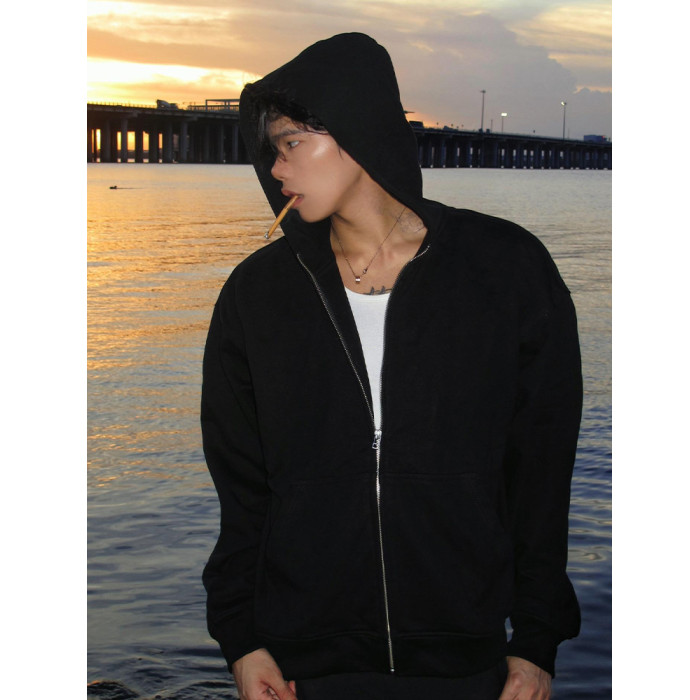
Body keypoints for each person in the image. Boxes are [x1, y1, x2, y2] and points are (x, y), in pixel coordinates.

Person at [201, 32, 582, 700]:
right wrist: (243, 640)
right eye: (271, 149)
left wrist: (535, 640)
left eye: (291, 142)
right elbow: (242, 487)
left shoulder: (505, 270)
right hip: (306, 667)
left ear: (354, 126)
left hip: (469, 663)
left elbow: (541, 472)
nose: (275, 167)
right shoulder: (258, 295)